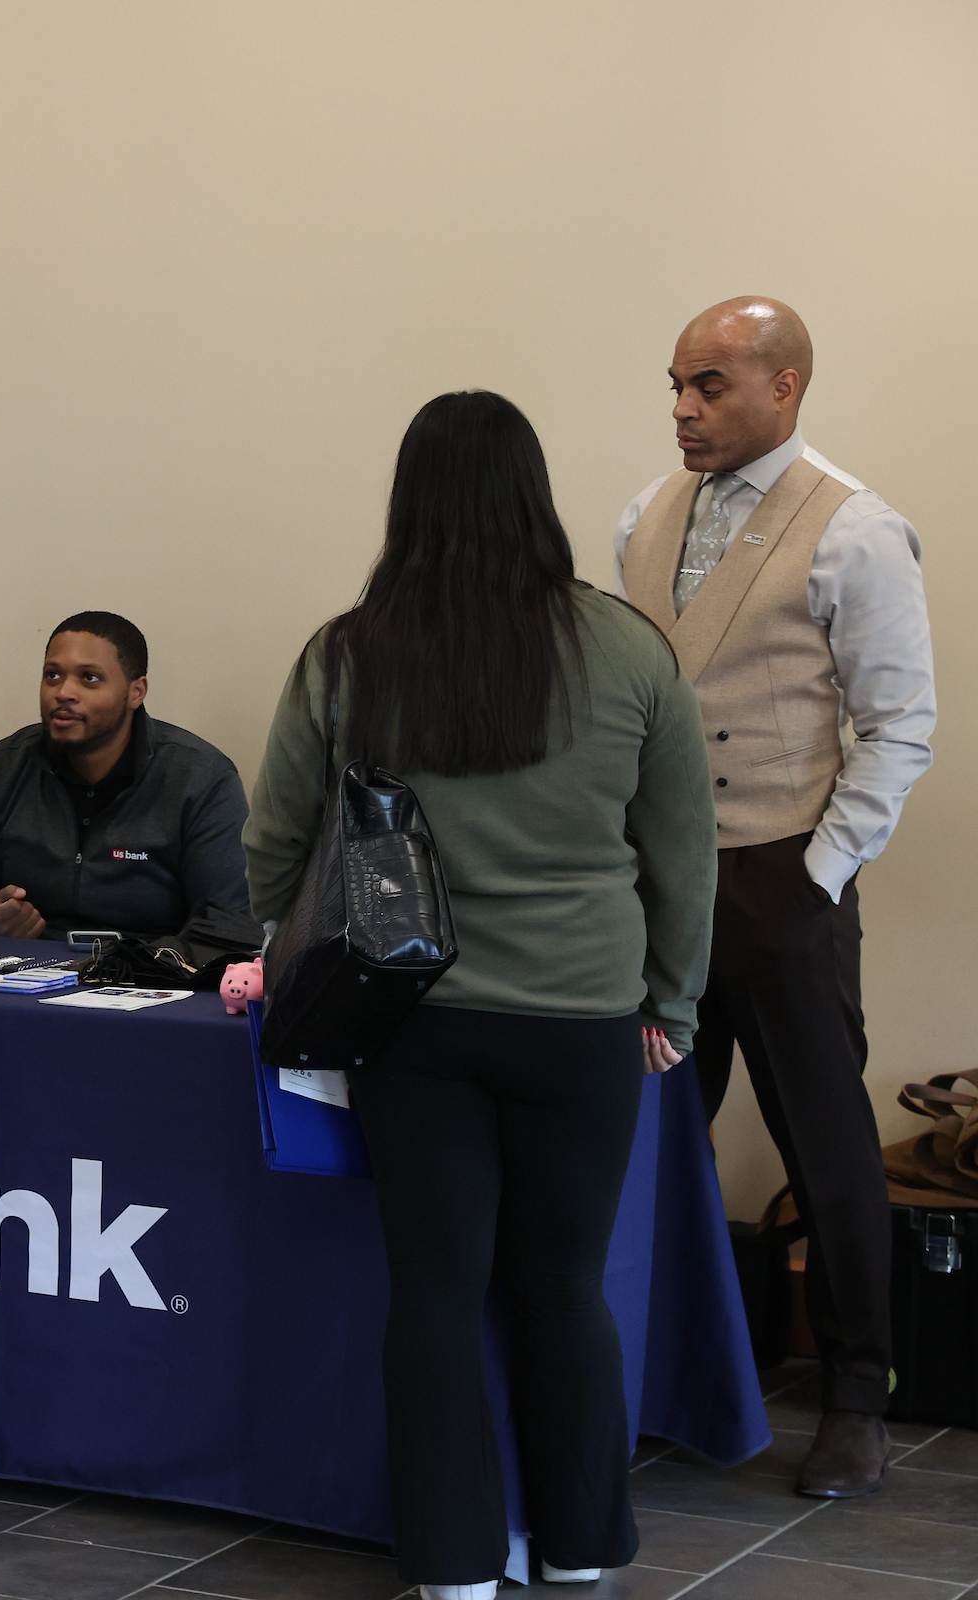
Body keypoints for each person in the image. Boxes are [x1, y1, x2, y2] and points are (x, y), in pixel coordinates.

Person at [246, 392, 715, 1600]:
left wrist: (282, 942)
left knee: (437, 1293)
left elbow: (275, 841)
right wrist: (676, 1000)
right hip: (588, 1023)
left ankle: (453, 1565)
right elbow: (682, 853)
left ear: (409, 503)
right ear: (534, 494)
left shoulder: (350, 654)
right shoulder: (627, 648)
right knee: (565, 1285)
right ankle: (580, 1547)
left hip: (416, 1025)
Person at [614, 296, 935, 1499]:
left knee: (825, 1141)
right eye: (677, 386)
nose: (685, 409)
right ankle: (667, 1368)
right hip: (654, 882)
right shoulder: (646, 514)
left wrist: (816, 872)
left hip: (781, 873)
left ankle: (859, 1391)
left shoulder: (858, 530)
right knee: (650, 1133)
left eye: (710, 386)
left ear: (785, 386)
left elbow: (901, 725)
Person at [0, 612, 248, 941]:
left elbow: (227, 922)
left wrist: (147, 967)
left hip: (149, 975)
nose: (63, 692)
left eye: (89, 678)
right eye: (53, 675)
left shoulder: (199, 777)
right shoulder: (5, 766)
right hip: (24, 972)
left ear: (136, 692)